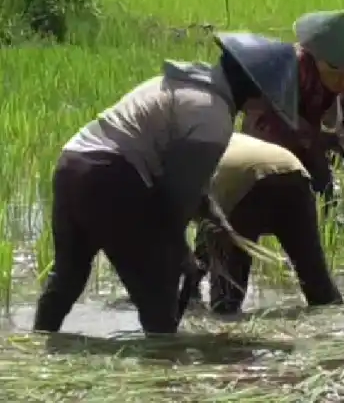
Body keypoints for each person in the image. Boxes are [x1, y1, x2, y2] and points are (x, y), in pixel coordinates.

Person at [32, 31, 303, 335]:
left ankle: (41, 344)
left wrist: (212, 214)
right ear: (254, 91)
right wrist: (180, 251)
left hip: (73, 162)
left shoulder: (181, 83)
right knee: (158, 292)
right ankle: (164, 371)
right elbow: (173, 199)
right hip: (112, 176)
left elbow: (183, 178)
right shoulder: (213, 116)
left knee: (68, 275)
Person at [242, 9, 344, 214]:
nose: (342, 77)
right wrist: (317, 139)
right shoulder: (292, 68)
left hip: (306, 128)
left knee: (322, 179)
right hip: (269, 127)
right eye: (335, 67)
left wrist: (340, 134)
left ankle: (328, 223)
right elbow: (277, 115)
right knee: (273, 182)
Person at [190, 132, 343, 316]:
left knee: (227, 298)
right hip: (292, 170)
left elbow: (201, 232)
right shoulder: (216, 134)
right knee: (318, 284)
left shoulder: (179, 157)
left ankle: (228, 339)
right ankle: (337, 334)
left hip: (245, 180)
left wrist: (190, 286)